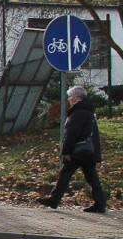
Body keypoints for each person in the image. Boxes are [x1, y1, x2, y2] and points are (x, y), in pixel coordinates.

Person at [37, 85, 107, 213]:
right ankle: (100, 203)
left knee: (65, 174)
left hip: (78, 151)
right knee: (92, 177)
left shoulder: (78, 113)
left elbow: (71, 134)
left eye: (71, 97)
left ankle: (54, 199)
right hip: (88, 151)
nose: (69, 99)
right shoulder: (88, 112)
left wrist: (66, 151)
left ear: (77, 98)